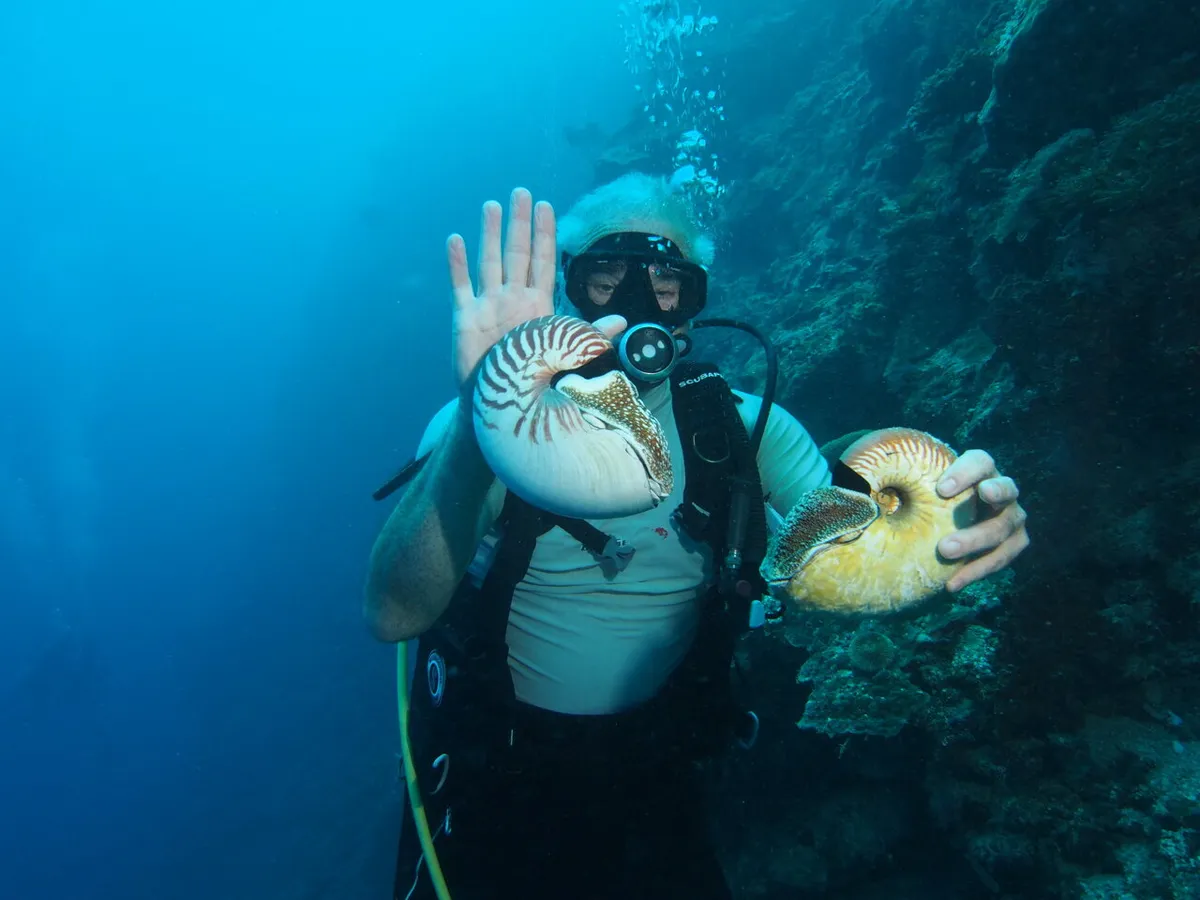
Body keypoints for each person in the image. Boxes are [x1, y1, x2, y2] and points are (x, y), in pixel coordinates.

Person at [365, 174, 1030, 900]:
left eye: (667, 283)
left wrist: (951, 532)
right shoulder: (487, 425)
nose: (636, 303)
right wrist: (479, 416)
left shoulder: (744, 427)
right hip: (496, 771)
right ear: (568, 291)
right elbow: (394, 613)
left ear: (696, 301)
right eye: (605, 278)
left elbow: (852, 557)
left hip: (656, 767)